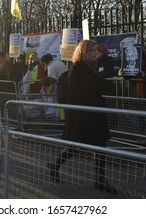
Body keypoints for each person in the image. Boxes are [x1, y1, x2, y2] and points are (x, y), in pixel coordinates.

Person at [47, 40, 116, 194]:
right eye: (92, 51)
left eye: (96, 51)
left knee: (96, 146)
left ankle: (99, 180)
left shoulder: (86, 68)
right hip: (85, 116)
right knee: (78, 146)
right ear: (84, 52)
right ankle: (56, 166)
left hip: (90, 114)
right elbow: (82, 92)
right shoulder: (79, 70)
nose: (95, 54)